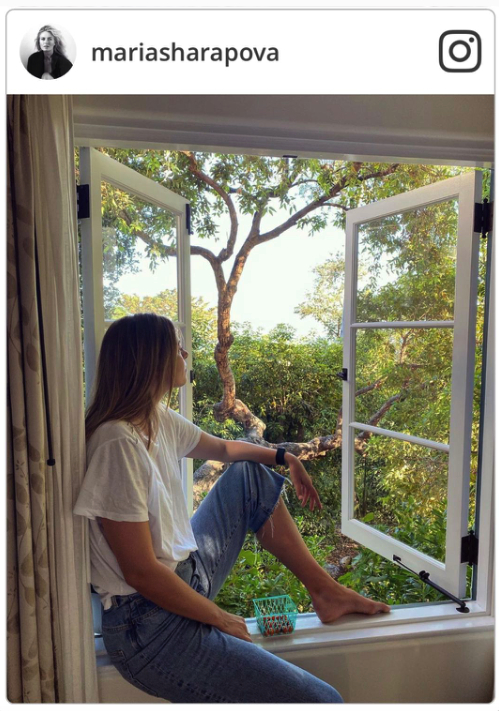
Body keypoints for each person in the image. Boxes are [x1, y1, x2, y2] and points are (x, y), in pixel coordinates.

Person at [73, 313, 390, 703]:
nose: (185, 354)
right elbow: (140, 572)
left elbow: (224, 448)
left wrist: (285, 457)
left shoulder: (155, 417)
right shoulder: (117, 444)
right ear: (151, 360)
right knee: (323, 702)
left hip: (185, 576)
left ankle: (326, 592)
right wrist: (219, 617)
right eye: (177, 348)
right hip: (149, 627)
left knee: (250, 475)